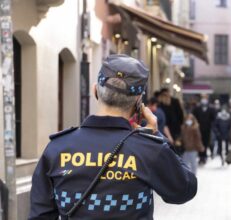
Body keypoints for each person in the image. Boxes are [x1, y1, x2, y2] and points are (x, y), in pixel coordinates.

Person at [29, 54, 197, 220]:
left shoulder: (57, 147)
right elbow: (185, 190)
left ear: (95, 90)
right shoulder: (149, 148)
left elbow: (40, 215)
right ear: (139, 101)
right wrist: (156, 135)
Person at [192, 94, 216, 164]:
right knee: (199, 142)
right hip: (198, 129)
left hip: (207, 129)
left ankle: (204, 156)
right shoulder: (197, 108)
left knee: (206, 142)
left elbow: (214, 118)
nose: (204, 99)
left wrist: (211, 125)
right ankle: (200, 156)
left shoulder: (211, 108)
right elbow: (193, 117)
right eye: (203, 98)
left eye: (205, 98)